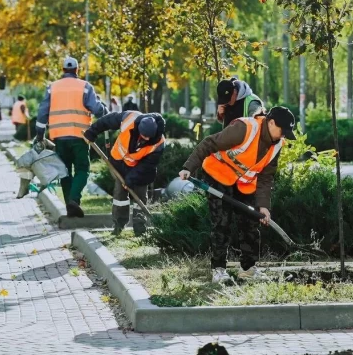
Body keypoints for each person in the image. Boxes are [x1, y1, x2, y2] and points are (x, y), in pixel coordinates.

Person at [179, 106, 296, 283]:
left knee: (250, 223)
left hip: (244, 183)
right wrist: (189, 167)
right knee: (222, 222)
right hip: (218, 175)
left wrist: (263, 206)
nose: (283, 136)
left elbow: (266, 177)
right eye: (282, 131)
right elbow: (210, 143)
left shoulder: (277, 144)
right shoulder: (245, 128)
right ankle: (218, 270)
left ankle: (248, 269)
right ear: (271, 122)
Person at [36, 56, 107, 218]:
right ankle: (74, 200)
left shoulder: (52, 87)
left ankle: (70, 205)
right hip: (80, 136)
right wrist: (105, 110)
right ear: (77, 70)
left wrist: (40, 134)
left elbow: (42, 112)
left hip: (59, 138)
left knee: (65, 172)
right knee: (82, 169)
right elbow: (96, 109)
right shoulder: (85, 87)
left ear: (63, 70)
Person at [84, 111, 165, 236]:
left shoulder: (158, 143)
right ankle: (118, 225)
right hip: (119, 164)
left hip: (141, 171)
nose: (146, 139)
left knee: (140, 197)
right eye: (143, 135)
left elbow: (147, 166)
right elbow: (107, 121)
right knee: (119, 196)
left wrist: (131, 179)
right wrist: (92, 132)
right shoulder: (129, 119)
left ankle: (140, 228)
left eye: (149, 137)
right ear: (138, 129)